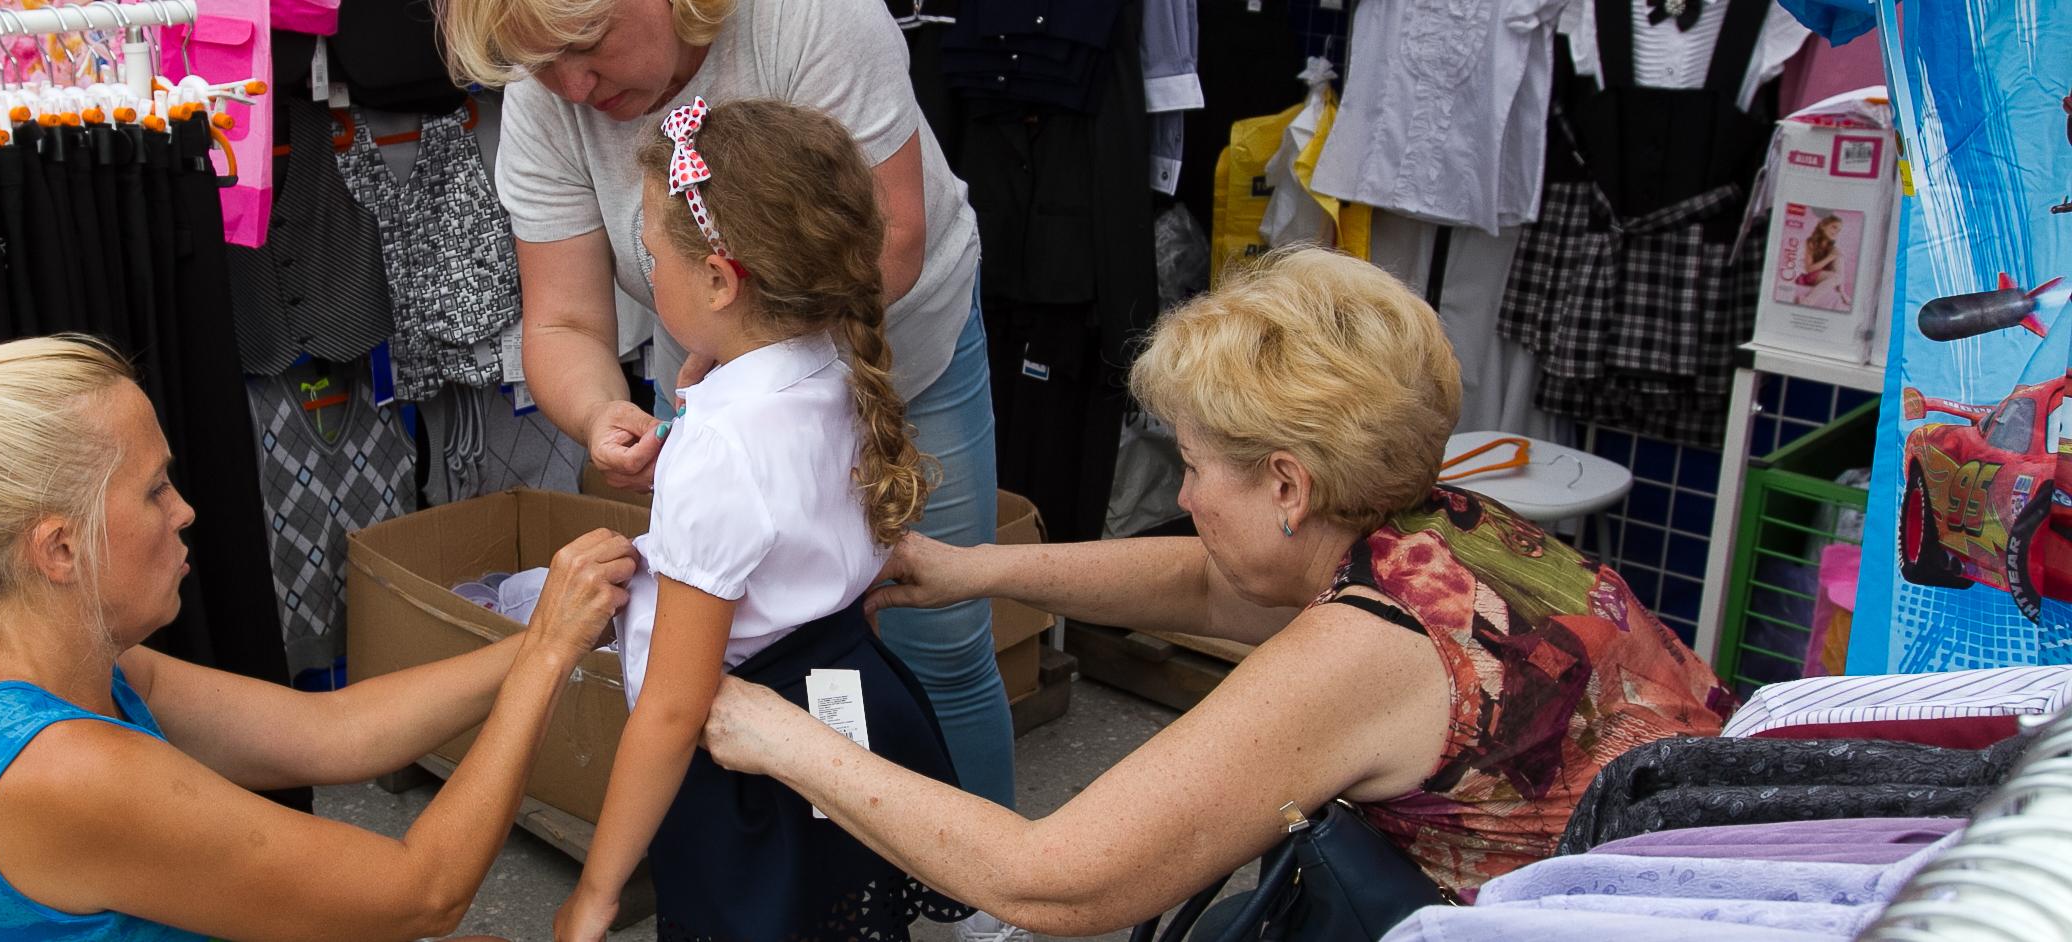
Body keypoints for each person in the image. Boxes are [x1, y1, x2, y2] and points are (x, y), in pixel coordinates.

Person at [697, 248, 1738, 936]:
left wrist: (774, 734)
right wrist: (970, 570)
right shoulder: (1453, 528)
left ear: (1287, 483)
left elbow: (1053, 877)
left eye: (1193, 466)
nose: (1182, 495)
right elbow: (1210, 586)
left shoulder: (1365, 655)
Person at [436, 8, 1025, 914]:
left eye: (585, 52)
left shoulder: (814, 21)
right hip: (762, 355)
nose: (572, 91)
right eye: (537, 68)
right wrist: (603, 412)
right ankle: (969, 893)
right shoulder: (786, 400)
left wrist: (596, 894)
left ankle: (1001, 903)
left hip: (847, 339)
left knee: (945, 644)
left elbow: (677, 702)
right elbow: (560, 319)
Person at [0, 336, 638, 942]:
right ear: (59, 547)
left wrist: (540, 641)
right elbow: (422, 892)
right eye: (155, 490)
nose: (185, 510)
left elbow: (329, 731)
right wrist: (551, 656)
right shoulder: (63, 771)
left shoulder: (19, 677)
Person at [541, 97, 967, 942]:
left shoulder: (724, 451)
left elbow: (672, 707)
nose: (647, 269)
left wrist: (597, 892)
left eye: (652, 254)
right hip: (850, 701)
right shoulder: (833, 365)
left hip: (751, 750)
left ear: (720, 281)